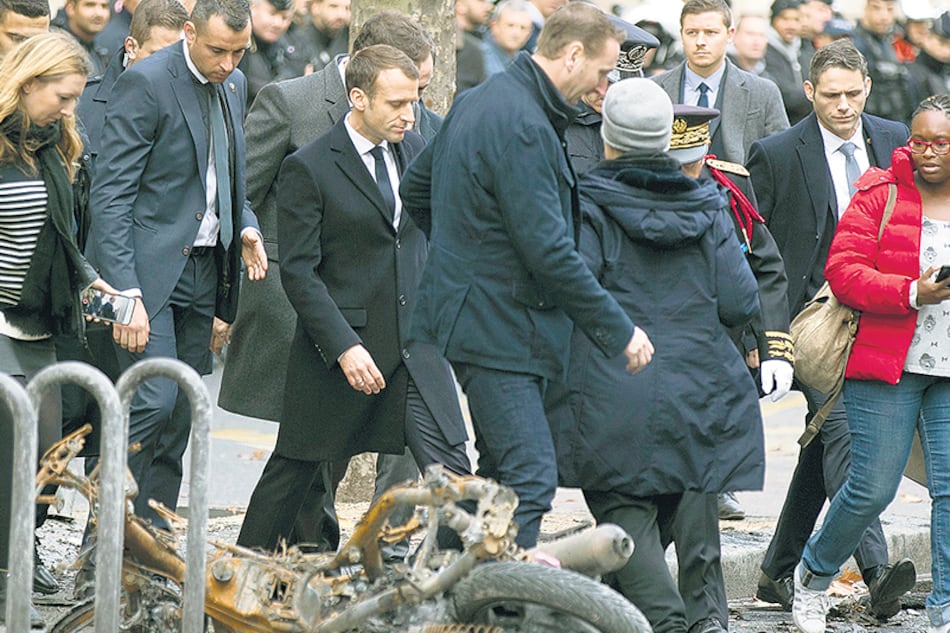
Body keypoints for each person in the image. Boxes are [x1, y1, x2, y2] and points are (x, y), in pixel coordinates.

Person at [400, 2, 654, 549]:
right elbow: (550, 251)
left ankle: (446, 602)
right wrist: (620, 330)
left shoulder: (483, 99)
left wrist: (465, 256)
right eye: (604, 71)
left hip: (488, 318)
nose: (606, 84)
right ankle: (490, 607)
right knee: (530, 478)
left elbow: (416, 191)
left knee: (492, 485)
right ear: (572, 55)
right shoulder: (523, 123)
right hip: (499, 327)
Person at [218, 10, 440, 554]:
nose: (415, 111)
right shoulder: (292, 106)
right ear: (362, 85)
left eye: (419, 96)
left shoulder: (417, 134)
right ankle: (274, 564)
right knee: (305, 462)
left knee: (444, 459)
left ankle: (443, 568)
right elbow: (241, 194)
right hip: (314, 319)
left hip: (402, 331)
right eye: (404, 98)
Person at [547, 78, 761, 633]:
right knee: (681, 505)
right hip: (697, 384)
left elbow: (573, 290)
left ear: (607, 139)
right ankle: (691, 620)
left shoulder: (584, 202)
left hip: (611, 380)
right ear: (667, 138)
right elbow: (740, 302)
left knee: (625, 510)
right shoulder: (711, 203)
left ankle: (665, 623)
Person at [86, 0, 266, 533]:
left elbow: (227, 181)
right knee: (153, 401)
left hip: (207, 269)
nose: (228, 63)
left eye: (239, 52)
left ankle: (152, 539)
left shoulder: (232, 86)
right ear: (189, 32)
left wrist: (247, 226)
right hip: (146, 274)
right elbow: (111, 196)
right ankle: (106, 536)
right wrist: (125, 292)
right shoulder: (146, 82)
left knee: (182, 412)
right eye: (217, 50)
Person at [747, 37, 912, 616]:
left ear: (867, 87)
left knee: (821, 445)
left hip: (885, 314)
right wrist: (762, 335)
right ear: (810, 92)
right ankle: (878, 570)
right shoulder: (774, 152)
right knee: (846, 429)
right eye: (830, 96)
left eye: (852, 94)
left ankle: (775, 571)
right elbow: (757, 252)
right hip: (811, 323)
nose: (843, 106)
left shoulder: (897, 142)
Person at [790, 94, 950, 633]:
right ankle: (812, 577)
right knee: (871, 487)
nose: (927, 153)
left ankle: (944, 606)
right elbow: (845, 272)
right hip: (888, 363)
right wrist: (911, 292)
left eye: (942, 144)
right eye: (919, 141)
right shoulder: (880, 191)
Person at [0, 32, 117, 628]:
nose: (72, 110)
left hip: (40, 322)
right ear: (27, 83)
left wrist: (93, 282)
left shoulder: (54, 143)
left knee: (40, 460)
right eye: (64, 97)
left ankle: (14, 564)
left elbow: (63, 238)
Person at [665, 103, 793, 633]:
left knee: (697, 490)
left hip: (715, 363)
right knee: (646, 500)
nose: (686, 173)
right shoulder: (621, 188)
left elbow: (763, 269)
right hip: (643, 363)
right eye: (677, 162)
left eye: (693, 161)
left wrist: (773, 346)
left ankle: (706, 618)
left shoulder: (727, 188)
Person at [653, 0, 789, 165]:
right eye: (692, 33)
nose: (700, 42)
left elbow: (781, 160)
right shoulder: (654, 90)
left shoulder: (763, 92)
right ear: (681, 35)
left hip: (739, 189)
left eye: (711, 32)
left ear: (730, 35)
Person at [851, 0, 916, 124]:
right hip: (869, 122)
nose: (884, 16)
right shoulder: (855, 43)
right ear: (866, 9)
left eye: (890, 9)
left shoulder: (888, 42)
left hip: (896, 119)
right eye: (876, 8)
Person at [238, 0, 308, 105]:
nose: (278, 24)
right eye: (272, 14)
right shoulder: (237, 45)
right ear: (252, 8)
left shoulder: (290, 41)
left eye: (285, 17)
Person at [765, 0, 813, 124]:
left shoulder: (805, 48)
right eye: (785, 19)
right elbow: (784, 96)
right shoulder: (764, 50)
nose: (791, 25)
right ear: (773, 20)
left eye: (796, 20)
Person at [51, 0, 111, 74]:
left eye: (104, 6)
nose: (99, 13)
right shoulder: (53, 46)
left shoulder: (99, 51)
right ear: (71, 8)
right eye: (90, 5)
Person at [290, 0, 348, 71]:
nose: (341, 15)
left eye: (347, 8)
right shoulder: (297, 42)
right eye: (333, 6)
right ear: (315, 7)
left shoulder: (348, 39)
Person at [481, 0, 534, 77]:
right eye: (510, 25)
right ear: (494, 26)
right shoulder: (480, 56)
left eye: (523, 28)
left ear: (529, 33)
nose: (516, 33)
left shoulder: (526, 62)